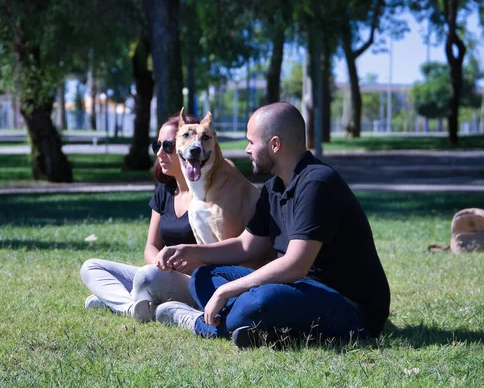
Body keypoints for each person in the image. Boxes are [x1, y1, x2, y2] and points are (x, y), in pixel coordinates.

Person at [155, 102, 390, 348]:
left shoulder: (318, 183)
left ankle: (202, 322)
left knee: (260, 300)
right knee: (203, 276)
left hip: (348, 308)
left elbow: (295, 265)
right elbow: (246, 247)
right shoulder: (273, 188)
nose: (246, 150)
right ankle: (253, 326)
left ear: (275, 145)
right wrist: (189, 250)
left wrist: (226, 291)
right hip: (297, 289)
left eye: (251, 142)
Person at [80, 113, 201, 322]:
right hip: (160, 273)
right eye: (157, 146)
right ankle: (131, 307)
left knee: (146, 277)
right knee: (91, 267)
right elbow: (151, 246)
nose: (160, 153)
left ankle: (116, 302)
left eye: (169, 147)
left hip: (195, 281)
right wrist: (160, 263)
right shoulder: (165, 191)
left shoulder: (208, 195)